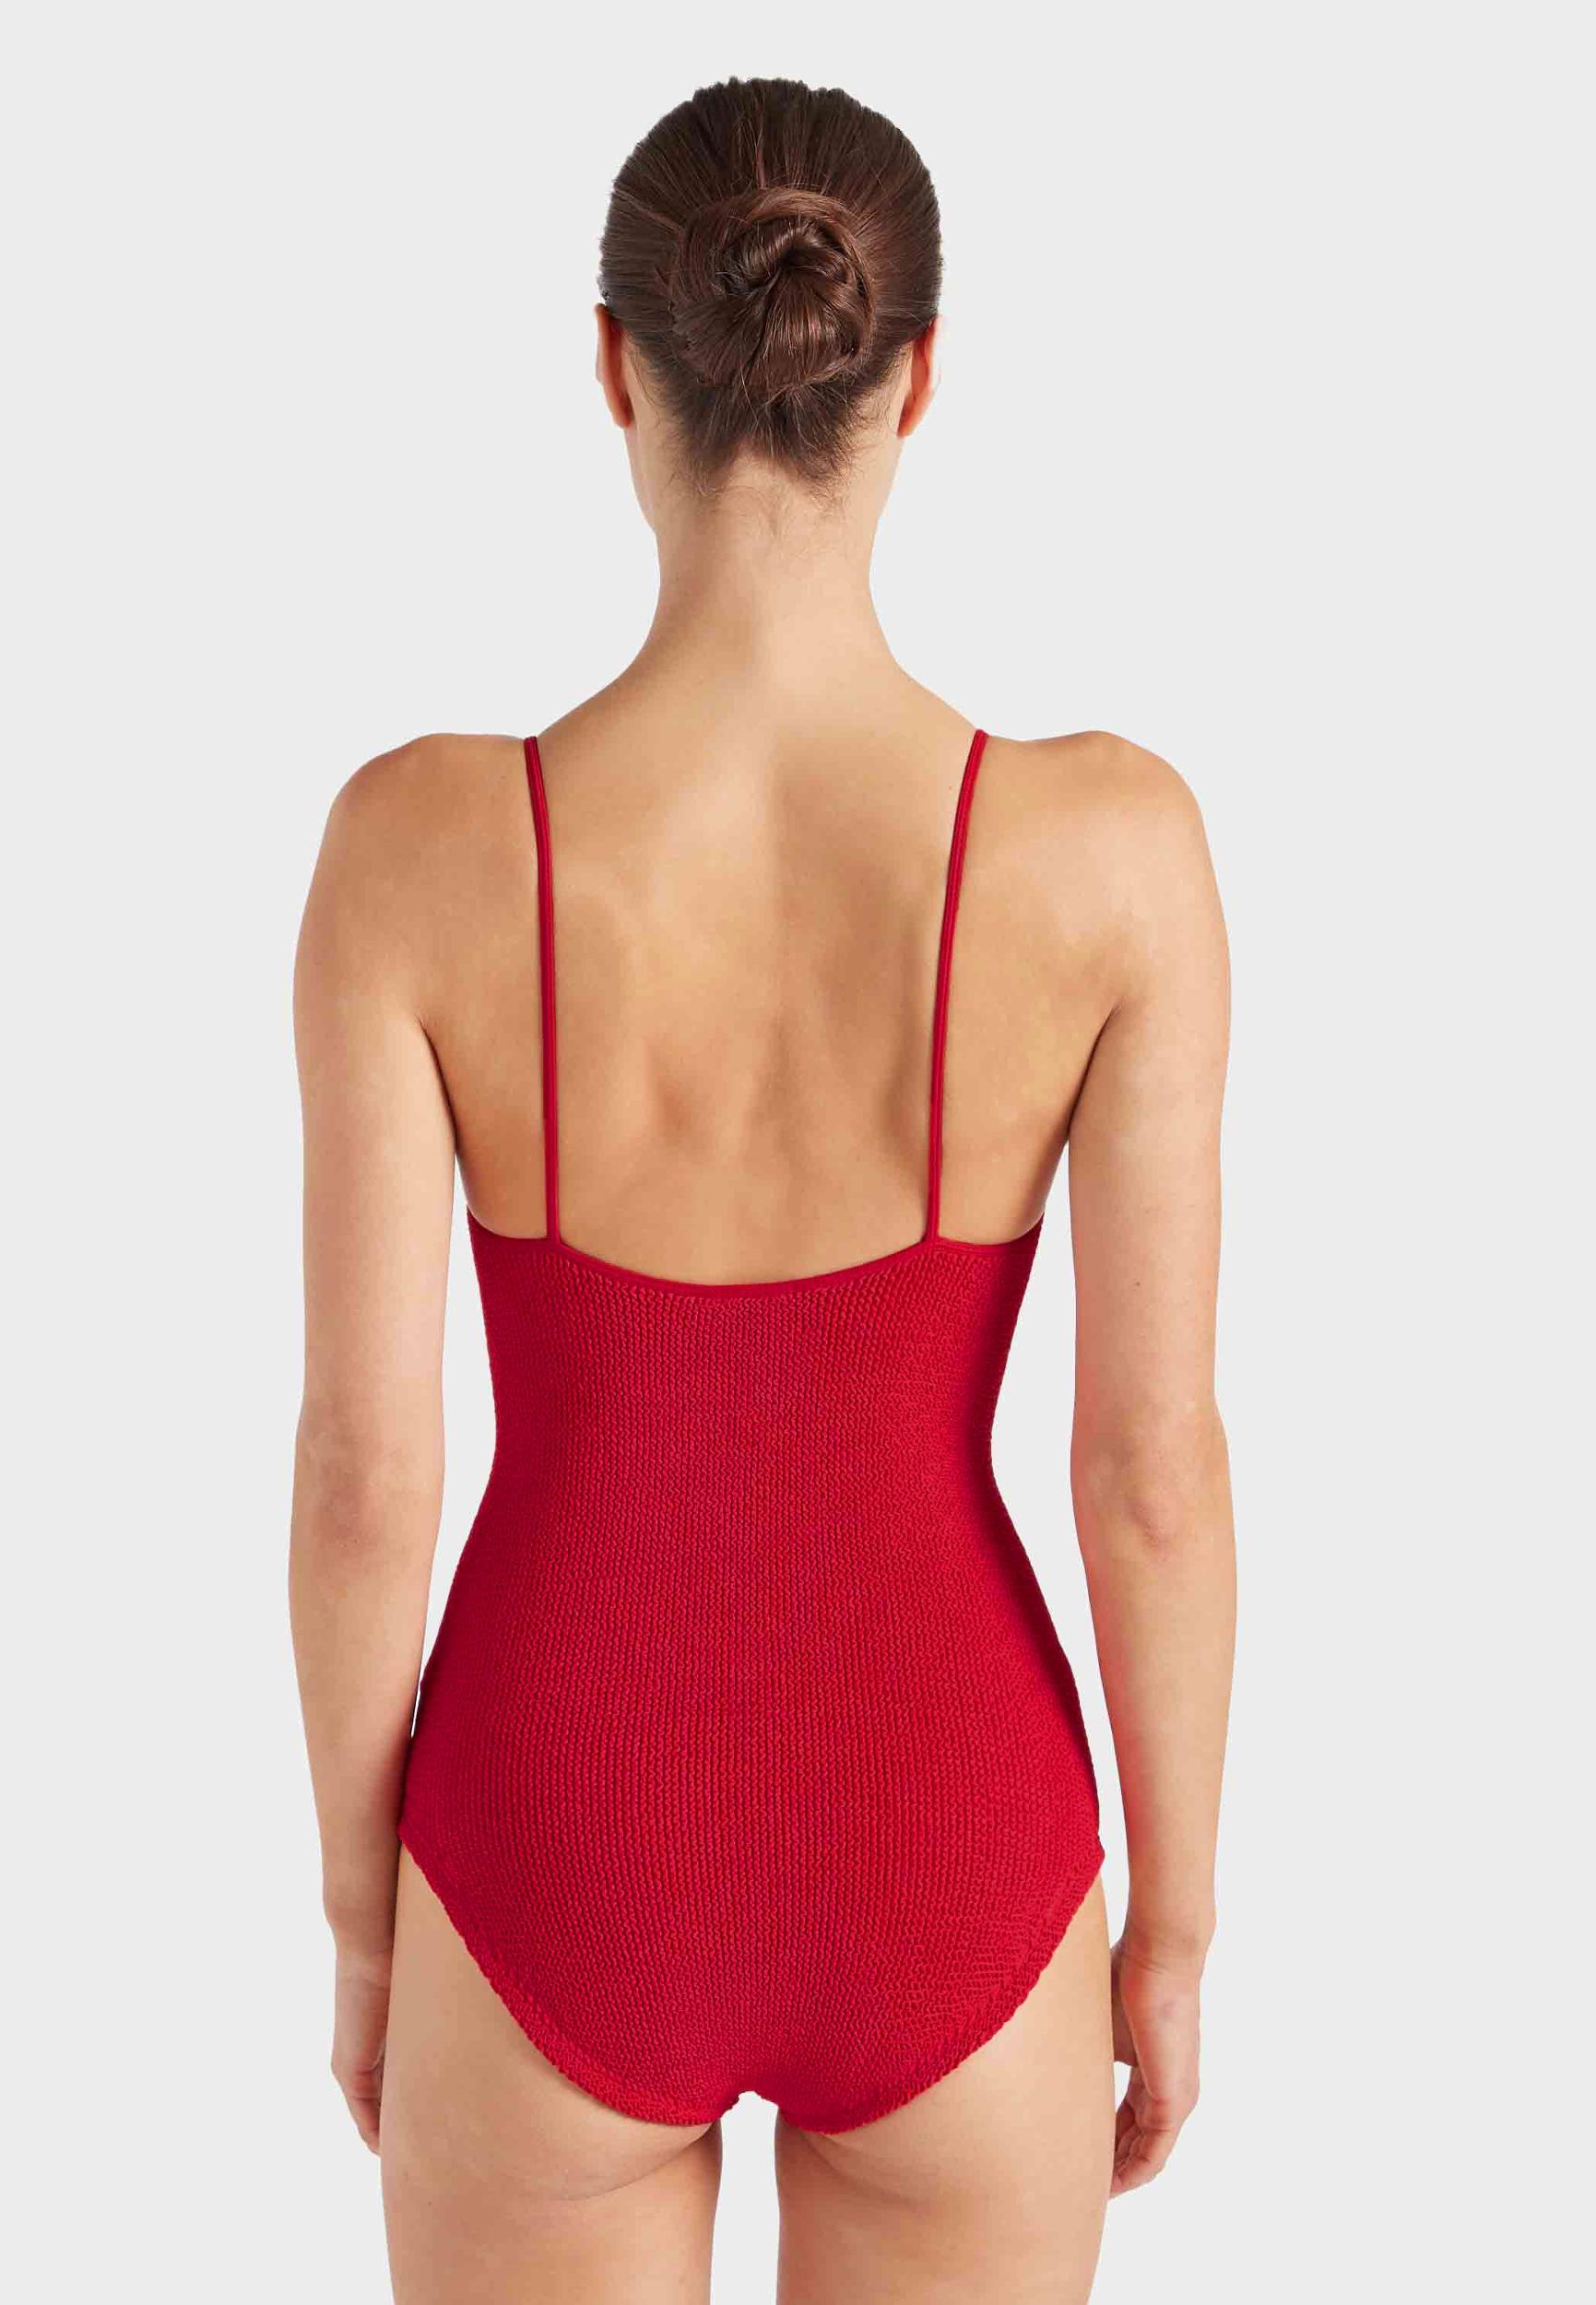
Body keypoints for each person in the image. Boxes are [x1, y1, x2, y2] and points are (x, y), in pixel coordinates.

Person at [291, 75, 1235, 2305]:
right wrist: (1172, 1929)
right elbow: (1147, 1473)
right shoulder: (1110, 853)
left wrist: (366, 1914)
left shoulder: (417, 847)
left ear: (613, 367)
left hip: (554, 1825)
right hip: (945, 1824)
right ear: (918, 376)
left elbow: (363, 1479)